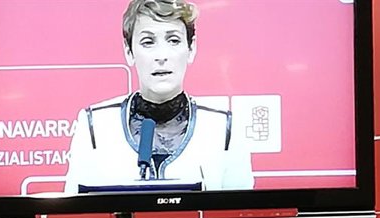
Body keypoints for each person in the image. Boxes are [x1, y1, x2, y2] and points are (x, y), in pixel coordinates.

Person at [63, 0, 254, 194]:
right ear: (129, 51)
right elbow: (74, 209)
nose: (162, 56)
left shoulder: (224, 128)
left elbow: (242, 210)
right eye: (148, 42)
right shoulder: (95, 124)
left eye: (173, 40)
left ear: (191, 48)